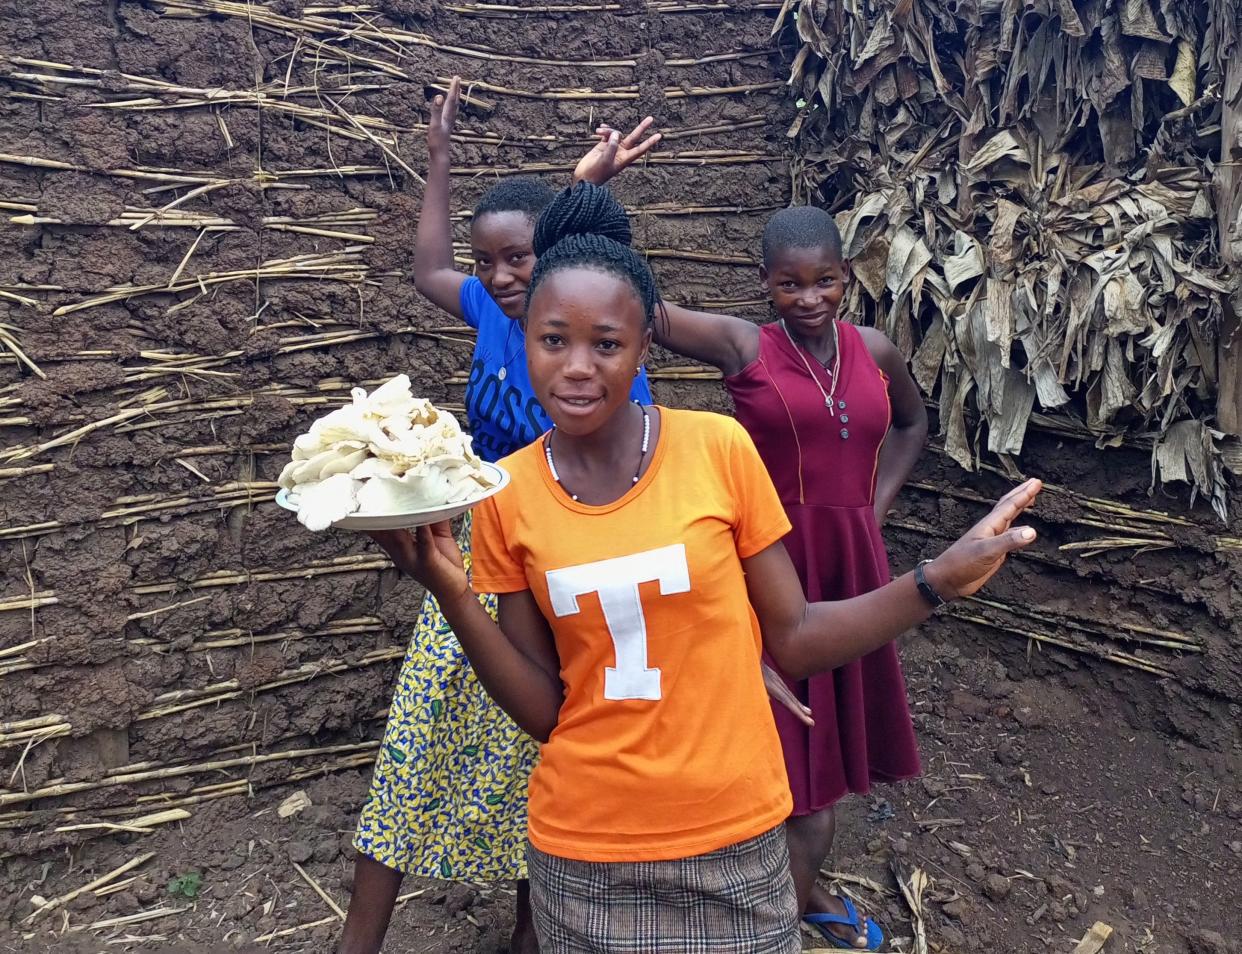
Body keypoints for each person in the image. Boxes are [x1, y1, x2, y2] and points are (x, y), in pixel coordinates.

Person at [366, 182, 1042, 953]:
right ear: (524, 343)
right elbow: (546, 712)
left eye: (607, 344)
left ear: (644, 347)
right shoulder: (506, 495)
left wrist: (936, 580)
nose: (578, 367)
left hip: (736, 840)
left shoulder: (716, 451)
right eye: (553, 341)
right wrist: (451, 589)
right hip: (585, 855)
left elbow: (795, 637)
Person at [336, 80, 660, 954]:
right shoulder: (485, 310)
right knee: (415, 734)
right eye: (492, 263)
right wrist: (438, 159)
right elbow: (426, 269)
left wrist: (584, 186)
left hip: (564, 549)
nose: (502, 276)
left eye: (519, 258)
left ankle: (531, 938)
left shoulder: (580, 338)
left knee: (539, 750)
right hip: (479, 546)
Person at [624, 199, 928, 948]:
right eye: (790, 285)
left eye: (824, 281)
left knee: (816, 755)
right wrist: (595, 197)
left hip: (852, 567)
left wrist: (870, 507)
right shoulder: (744, 347)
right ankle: (770, 916)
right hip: (769, 567)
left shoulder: (876, 349)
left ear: (846, 278)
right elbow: (642, 309)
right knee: (784, 760)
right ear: (765, 285)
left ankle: (783, 901)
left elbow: (913, 424)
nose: (810, 299)